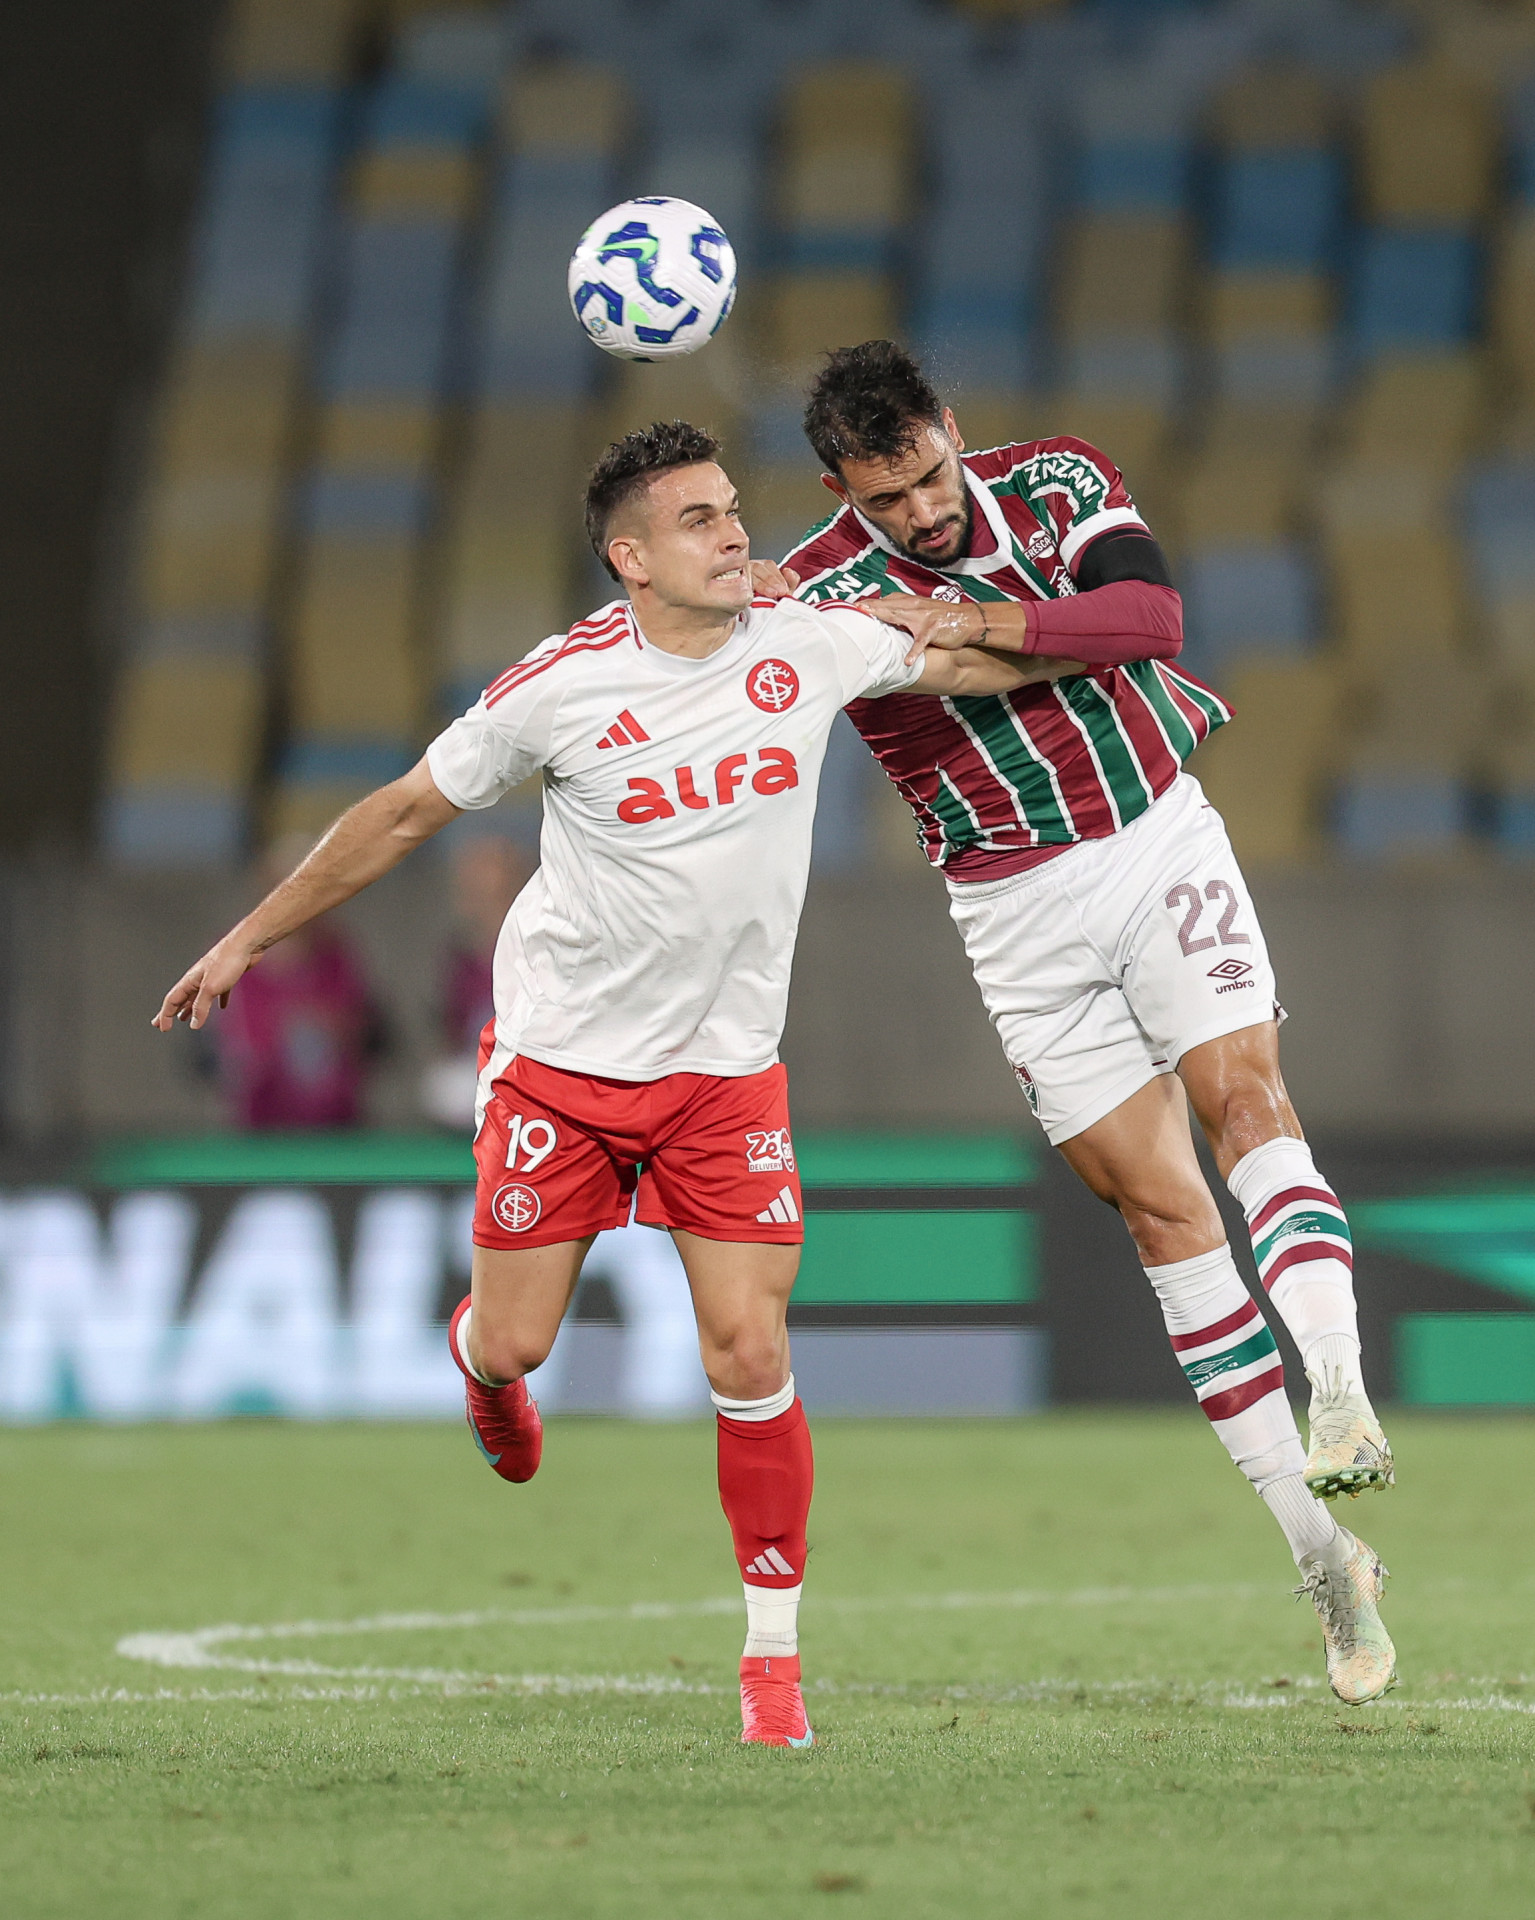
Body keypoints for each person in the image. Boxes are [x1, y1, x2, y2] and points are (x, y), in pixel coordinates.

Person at [152, 419, 1083, 1746]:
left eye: (730, 510)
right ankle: (479, 1366)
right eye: (697, 519)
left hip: (722, 1078)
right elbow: (407, 813)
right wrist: (248, 938)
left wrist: (1097, 636)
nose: (733, 533)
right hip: (561, 1073)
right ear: (627, 556)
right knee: (520, 1338)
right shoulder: (558, 686)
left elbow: (962, 657)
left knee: (749, 1348)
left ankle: (771, 1664)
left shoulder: (806, 642)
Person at [775, 342, 1395, 1707]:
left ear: (950, 431)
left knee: (1244, 1100)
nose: (922, 517)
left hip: (1151, 839)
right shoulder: (822, 588)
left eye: (929, 479)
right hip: (1008, 914)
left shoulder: (1055, 482)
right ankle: (1318, 1555)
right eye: (888, 503)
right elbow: (864, 668)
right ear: (841, 489)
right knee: (1160, 1218)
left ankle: (1335, 1380)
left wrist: (977, 618)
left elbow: (1148, 621)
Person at [215, 833, 385, 1130]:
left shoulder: (338, 957)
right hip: (263, 1126)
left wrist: (326, 1027)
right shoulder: (237, 960)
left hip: (338, 1125)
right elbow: (241, 1051)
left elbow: (361, 1031)